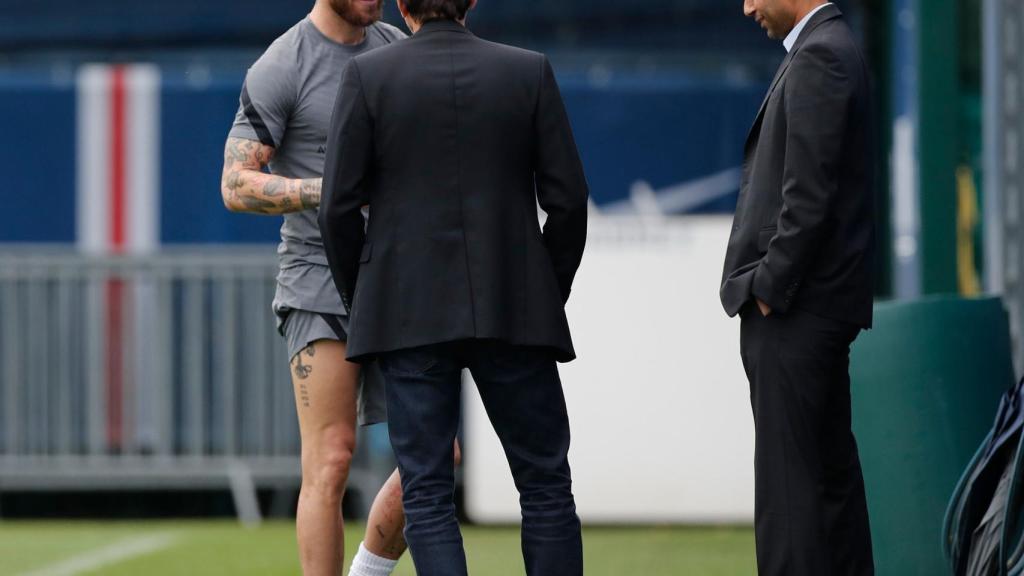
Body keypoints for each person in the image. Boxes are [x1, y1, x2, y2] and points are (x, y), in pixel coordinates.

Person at [318, 0, 590, 574]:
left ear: (401, 5)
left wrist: (366, 300)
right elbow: (568, 203)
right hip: (514, 312)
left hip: (408, 317)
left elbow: (337, 210)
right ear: (471, 1)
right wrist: (543, 291)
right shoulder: (528, 70)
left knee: (427, 494)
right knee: (544, 485)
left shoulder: (368, 76)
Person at [220, 1, 416, 574]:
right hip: (317, 279)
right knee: (330, 462)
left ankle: (366, 572)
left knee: (435, 456)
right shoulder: (283, 63)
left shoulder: (397, 49)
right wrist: (329, 190)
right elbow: (235, 184)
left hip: (396, 278)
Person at [720, 1, 876, 574]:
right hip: (811, 309)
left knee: (790, 501)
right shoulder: (831, 48)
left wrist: (768, 287)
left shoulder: (821, 55)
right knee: (829, 489)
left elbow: (808, 198)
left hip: (796, 313)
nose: (748, 7)